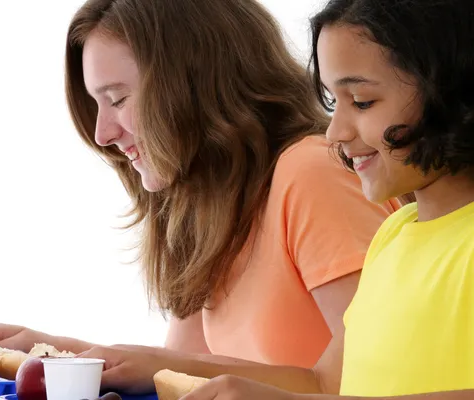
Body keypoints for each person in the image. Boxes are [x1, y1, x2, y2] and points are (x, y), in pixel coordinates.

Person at [0, 0, 401, 378]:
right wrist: (57, 352)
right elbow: (178, 371)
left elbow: (376, 378)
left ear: (196, 83)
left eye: (118, 99)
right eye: (95, 104)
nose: (102, 133)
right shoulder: (208, 207)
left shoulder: (310, 171)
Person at [74, 0, 474, 399]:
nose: (334, 131)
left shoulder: (312, 172)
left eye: (363, 102)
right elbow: (326, 382)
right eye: (334, 102)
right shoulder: (395, 235)